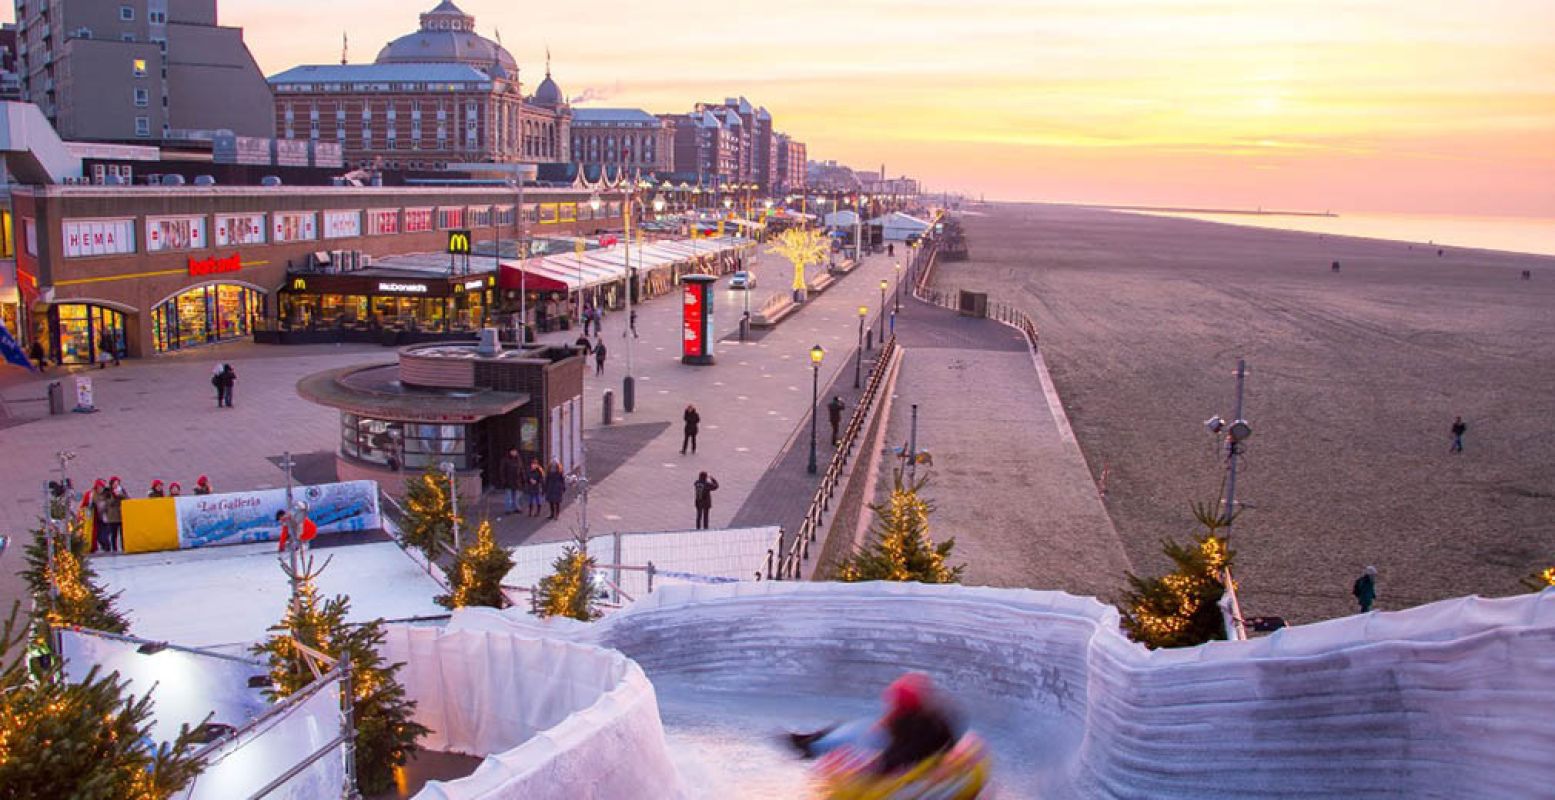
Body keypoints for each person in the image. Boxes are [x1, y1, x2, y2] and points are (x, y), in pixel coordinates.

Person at [787, 672, 960, 776]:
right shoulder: (930, 714)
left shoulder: (917, 728)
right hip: (905, 748)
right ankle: (811, 741)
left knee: (853, 735)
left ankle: (812, 746)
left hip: (907, 759)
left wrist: (871, 769)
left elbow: (899, 756)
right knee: (854, 728)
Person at [500, 448, 524, 514]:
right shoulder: (505, 459)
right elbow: (502, 471)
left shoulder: (519, 460)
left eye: (515, 451)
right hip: (508, 480)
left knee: (516, 496)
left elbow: (521, 470)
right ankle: (508, 509)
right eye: (512, 451)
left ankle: (516, 508)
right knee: (508, 496)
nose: (514, 452)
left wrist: (523, 479)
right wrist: (503, 480)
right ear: (510, 452)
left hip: (517, 481)